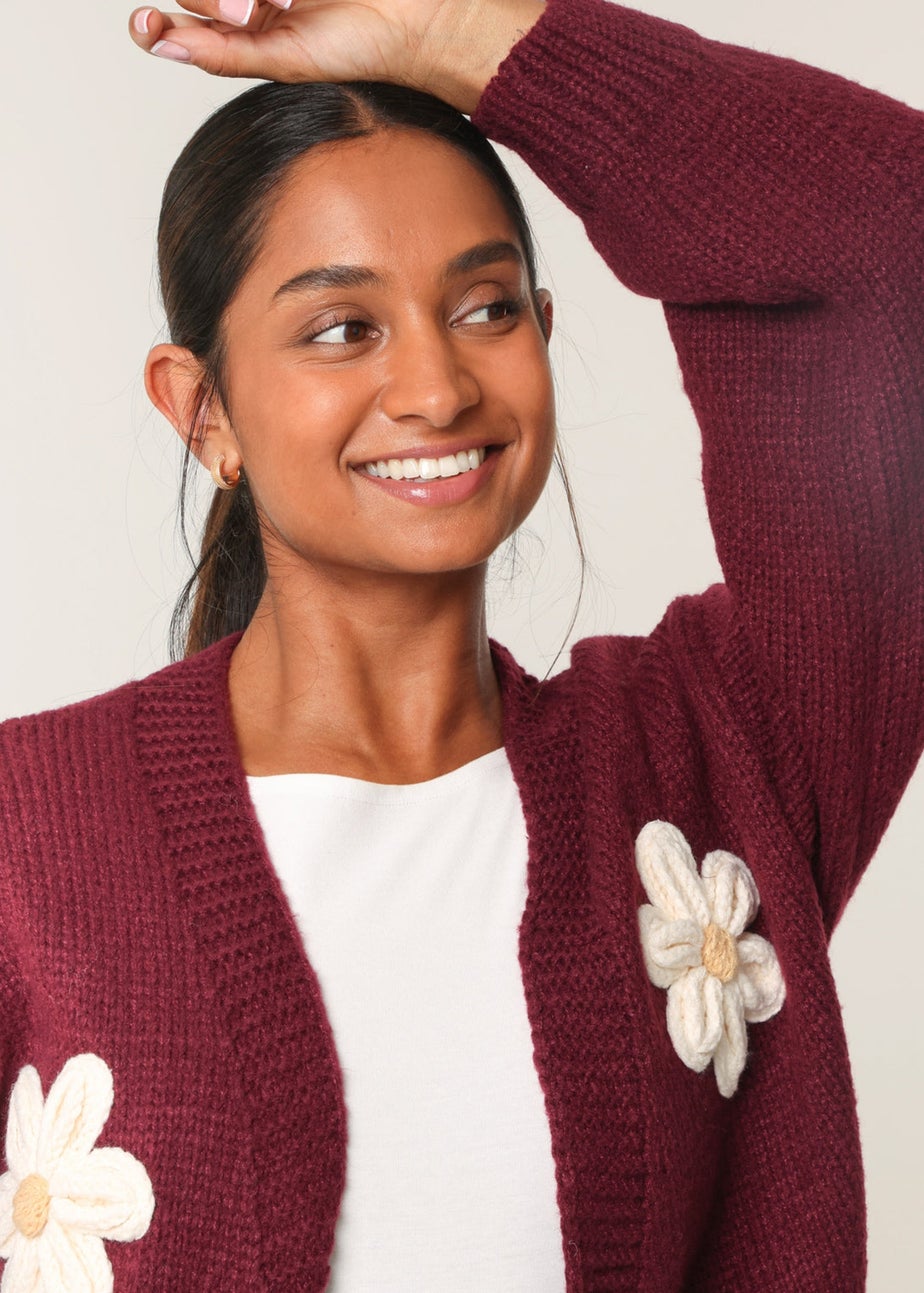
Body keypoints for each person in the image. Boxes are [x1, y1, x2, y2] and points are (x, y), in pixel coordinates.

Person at [0, 0, 920, 1289]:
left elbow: (898, 243)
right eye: (341, 328)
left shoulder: (722, 761)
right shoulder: (26, 832)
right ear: (203, 410)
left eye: (487, 309)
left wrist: (456, 36)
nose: (437, 387)